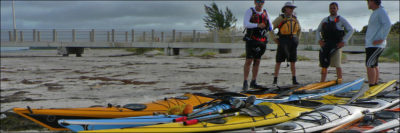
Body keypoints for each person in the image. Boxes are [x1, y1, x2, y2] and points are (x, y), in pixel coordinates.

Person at [316, 2, 354, 83]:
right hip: (326, 45)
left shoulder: (341, 19)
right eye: (331, 8)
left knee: (337, 64)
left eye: (334, 8)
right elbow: (318, 30)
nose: (332, 9)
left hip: (336, 45)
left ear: (337, 9)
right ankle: (322, 82)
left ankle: (339, 80)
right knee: (324, 64)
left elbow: (351, 30)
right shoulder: (325, 20)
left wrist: (343, 41)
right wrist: (319, 40)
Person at [242, 0, 273, 91]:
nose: (260, 4)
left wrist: (269, 27)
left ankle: (253, 81)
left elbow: (270, 26)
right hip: (251, 40)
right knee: (249, 60)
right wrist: (257, 25)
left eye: (262, 2)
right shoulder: (250, 11)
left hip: (261, 40)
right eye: (258, 1)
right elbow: (246, 24)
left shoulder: (265, 12)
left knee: (257, 61)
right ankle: (245, 81)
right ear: (255, 2)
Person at [269, 2, 301, 85]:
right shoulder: (280, 18)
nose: (291, 9)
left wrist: (298, 38)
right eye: (290, 8)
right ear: (285, 9)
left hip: (293, 41)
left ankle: (294, 79)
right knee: (279, 61)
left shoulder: (295, 18)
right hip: (283, 41)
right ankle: (275, 80)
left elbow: (299, 29)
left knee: (293, 61)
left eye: (292, 8)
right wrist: (274, 38)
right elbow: (270, 27)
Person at [365, 0, 391, 87]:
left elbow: (388, 24)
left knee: (369, 64)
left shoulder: (381, 11)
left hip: (376, 44)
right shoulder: (376, 12)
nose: (367, 3)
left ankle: (371, 85)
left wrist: (382, 38)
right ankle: (375, 84)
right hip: (371, 44)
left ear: (373, 1)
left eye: (368, 1)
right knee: (373, 64)